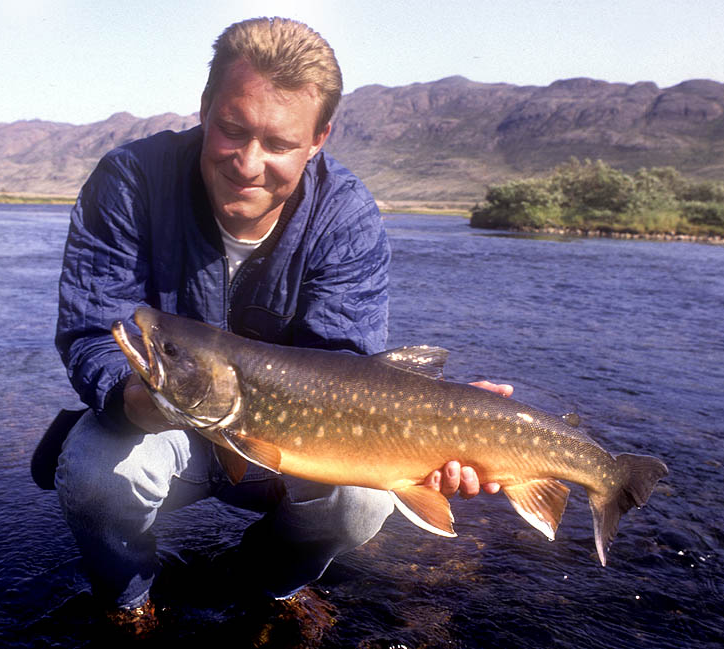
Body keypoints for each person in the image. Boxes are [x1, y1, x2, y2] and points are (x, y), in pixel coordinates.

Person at [53, 16, 510, 622]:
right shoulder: (130, 182)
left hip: (295, 443)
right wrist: (132, 394)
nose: (247, 163)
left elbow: (348, 369)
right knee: (92, 474)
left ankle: (269, 587)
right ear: (204, 108)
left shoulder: (345, 215)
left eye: (278, 145)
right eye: (231, 130)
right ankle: (127, 603)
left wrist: (439, 424)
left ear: (319, 138)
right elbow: (95, 331)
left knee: (361, 503)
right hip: (159, 420)